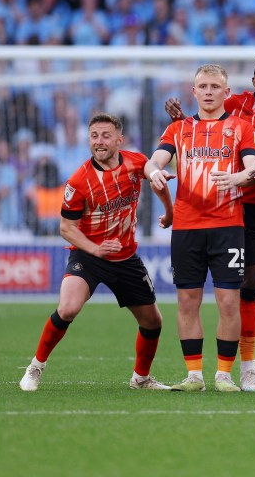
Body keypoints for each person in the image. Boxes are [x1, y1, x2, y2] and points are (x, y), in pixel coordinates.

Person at [166, 55, 255, 391]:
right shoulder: (237, 103)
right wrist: (180, 121)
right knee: (248, 286)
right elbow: (206, 120)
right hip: (243, 208)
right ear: (252, 79)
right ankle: (246, 368)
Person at [19, 113, 174, 391]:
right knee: (67, 309)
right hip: (88, 256)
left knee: (153, 322)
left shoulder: (135, 161)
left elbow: (154, 174)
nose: (99, 142)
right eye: (94, 136)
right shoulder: (78, 181)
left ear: (118, 140)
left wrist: (169, 209)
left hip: (125, 257)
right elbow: (66, 228)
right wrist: (95, 249)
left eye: (105, 136)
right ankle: (36, 367)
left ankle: (140, 379)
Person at [145, 64, 255, 393]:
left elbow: (254, 166)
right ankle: (194, 375)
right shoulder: (178, 130)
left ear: (227, 93)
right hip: (187, 226)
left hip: (228, 226)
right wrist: (153, 171)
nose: (208, 91)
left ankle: (224, 374)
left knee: (228, 302)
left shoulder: (241, 127)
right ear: (193, 92)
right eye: (202, 86)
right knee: (187, 301)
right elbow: (155, 160)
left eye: (215, 86)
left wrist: (238, 176)